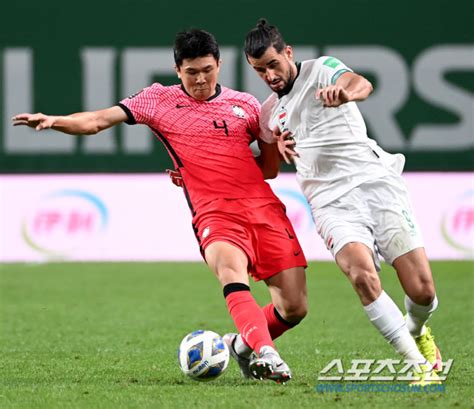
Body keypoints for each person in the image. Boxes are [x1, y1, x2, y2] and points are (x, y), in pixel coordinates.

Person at [12, 29, 308, 384]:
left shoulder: (245, 105)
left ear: (219, 65)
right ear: (176, 70)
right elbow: (96, 121)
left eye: (207, 70)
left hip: (263, 208)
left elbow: (270, 170)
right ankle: (267, 355)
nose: (200, 79)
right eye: (191, 72)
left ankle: (242, 347)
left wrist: (259, 148)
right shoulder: (156, 100)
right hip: (214, 212)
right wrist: (54, 121)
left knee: (294, 307)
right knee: (232, 272)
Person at [244, 19, 442, 385]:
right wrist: (277, 146)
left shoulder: (322, 70)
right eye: (259, 71)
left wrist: (345, 94)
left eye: (273, 64)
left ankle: (417, 329)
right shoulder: (268, 113)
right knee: (362, 276)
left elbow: (360, 83)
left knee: (422, 291)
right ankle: (419, 365)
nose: (269, 75)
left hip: (376, 184)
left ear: (288, 53)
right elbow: (268, 168)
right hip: (330, 203)